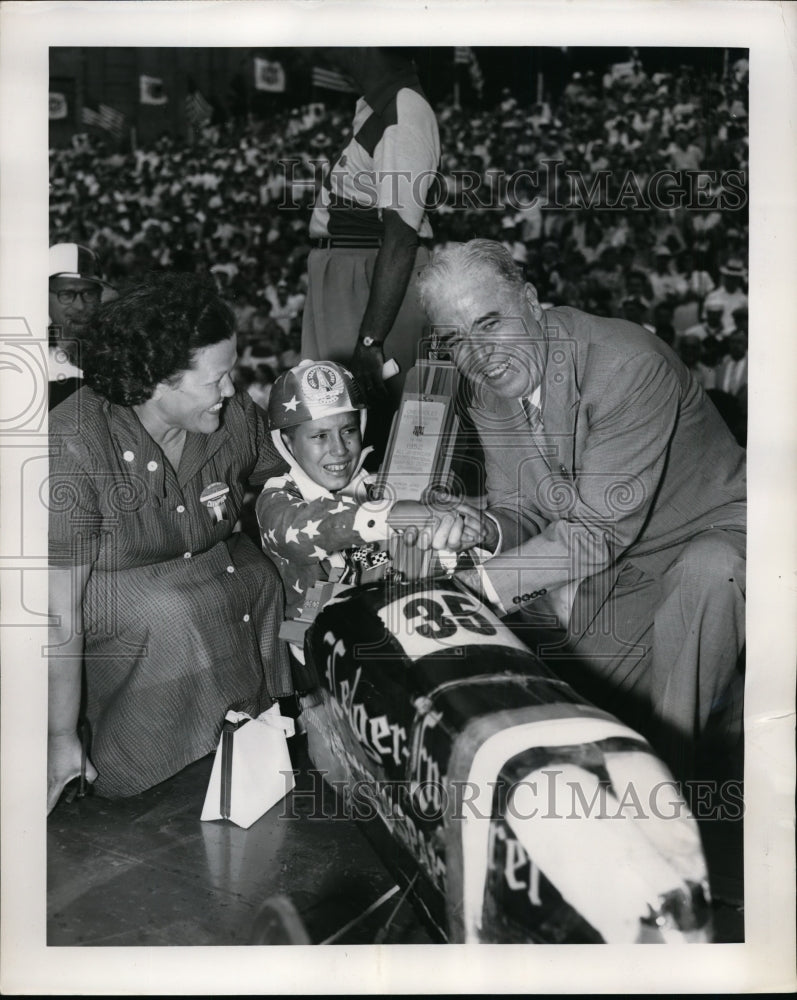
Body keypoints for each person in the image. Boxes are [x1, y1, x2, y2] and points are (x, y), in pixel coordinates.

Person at [416, 240, 747, 781]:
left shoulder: (626, 364)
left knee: (708, 577)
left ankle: (664, 798)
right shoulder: (487, 391)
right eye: (457, 339)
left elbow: (593, 535)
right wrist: (487, 528)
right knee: (587, 707)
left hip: (719, 532)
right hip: (632, 559)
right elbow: (523, 507)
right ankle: (728, 713)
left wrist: (476, 589)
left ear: (530, 300)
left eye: (490, 323)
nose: (479, 356)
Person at [48, 273, 293, 812]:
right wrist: (58, 736)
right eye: (218, 379)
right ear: (157, 379)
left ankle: (255, 743)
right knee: (174, 610)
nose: (232, 390)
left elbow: (287, 474)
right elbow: (57, 613)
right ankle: (147, 774)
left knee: (249, 577)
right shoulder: (74, 444)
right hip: (120, 615)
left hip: (216, 591)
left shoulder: (232, 419)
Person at [255, 359, 484, 686]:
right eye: (320, 436)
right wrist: (391, 516)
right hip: (310, 638)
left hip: (392, 621)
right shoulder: (277, 496)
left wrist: (457, 536)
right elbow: (298, 532)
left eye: (348, 430)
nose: (339, 450)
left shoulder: (381, 484)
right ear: (288, 443)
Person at [301, 48, 441, 429]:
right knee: (338, 419)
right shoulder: (378, 103)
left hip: (367, 275)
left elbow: (400, 237)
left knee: (370, 423)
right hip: (350, 273)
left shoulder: (403, 112)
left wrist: (370, 343)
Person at [48, 242, 114, 409]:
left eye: (89, 293)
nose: (80, 306)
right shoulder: (25, 357)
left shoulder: (119, 353)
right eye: (67, 294)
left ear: (100, 296)